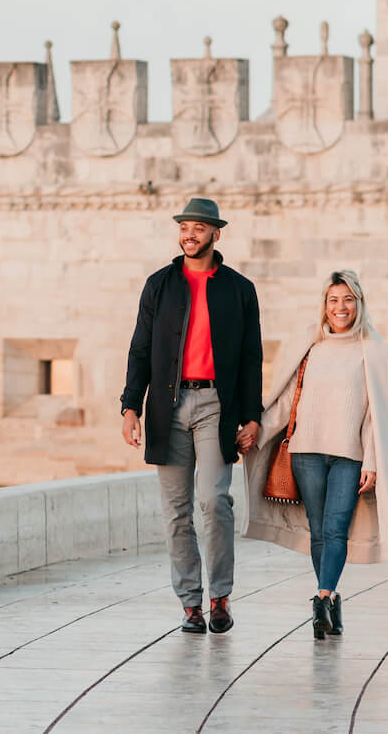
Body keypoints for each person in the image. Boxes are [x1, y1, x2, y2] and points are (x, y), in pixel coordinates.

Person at [242, 270, 388, 640]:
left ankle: (322, 598)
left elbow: (376, 414)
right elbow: (286, 400)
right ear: (324, 305)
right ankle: (329, 602)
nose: (341, 307)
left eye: (348, 300)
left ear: (359, 303)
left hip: (349, 456)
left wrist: (372, 460)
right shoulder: (310, 346)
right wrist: (254, 432)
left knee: (336, 528)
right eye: (334, 300)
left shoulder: (373, 350)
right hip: (305, 452)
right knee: (319, 530)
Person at [120, 197, 264, 635]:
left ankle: (220, 597)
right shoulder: (159, 285)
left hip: (216, 405)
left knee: (214, 501)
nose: (190, 234)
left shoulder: (239, 289)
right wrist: (130, 406)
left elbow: (252, 357)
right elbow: (140, 348)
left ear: (216, 234)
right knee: (176, 512)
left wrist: (251, 416)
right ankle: (190, 605)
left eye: (199, 228)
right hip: (167, 406)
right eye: (185, 227)